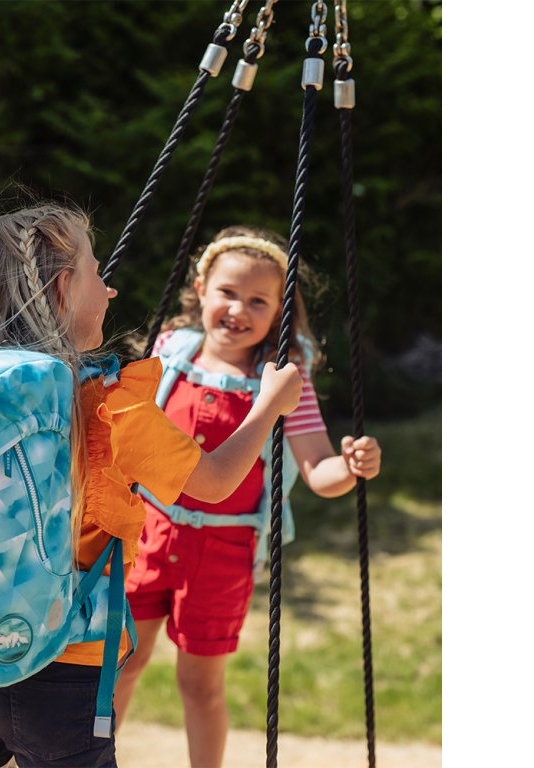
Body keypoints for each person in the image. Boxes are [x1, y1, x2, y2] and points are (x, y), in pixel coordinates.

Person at [0, 205, 303, 768]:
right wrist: (268, 406)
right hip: (65, 660)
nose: (111, 289)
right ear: (63, 288)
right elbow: (215, 482)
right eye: (98, 273)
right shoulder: (112, 405)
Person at [111, 225, 383, 768]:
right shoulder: (169, 350)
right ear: (201, 288)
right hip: (146, 534)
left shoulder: (282, 381)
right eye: (228, 293)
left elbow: (318, 470)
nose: (239, 310)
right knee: (121, 663)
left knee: (200, 684)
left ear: (279, 311)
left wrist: (351, 467)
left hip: (222, 554)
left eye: (259, 301)